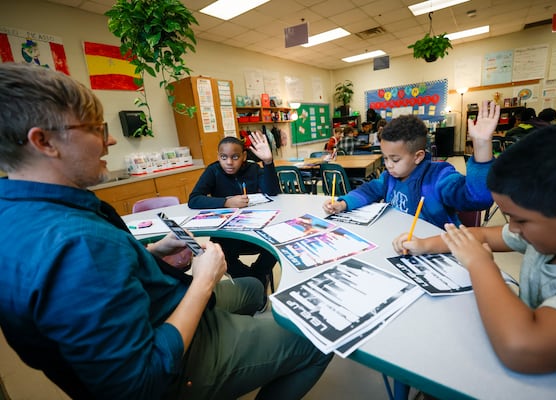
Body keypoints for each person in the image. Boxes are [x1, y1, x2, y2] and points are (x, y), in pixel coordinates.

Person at [0, 62, 332, 400]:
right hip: (179, 359)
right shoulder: (79, 244)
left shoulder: (19, 216)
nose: (111, 139)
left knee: (249, 288)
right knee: (318, 338)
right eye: (96, 128)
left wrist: (152, 254)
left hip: (160, 310)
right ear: (44, 141)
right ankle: (241, 351)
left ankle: (249, 342)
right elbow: (143, 382)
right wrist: (203, 282)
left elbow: (98, 283)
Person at [395, 126, 556, 399]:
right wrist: (424, 245)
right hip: (515, 370)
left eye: (521, 220)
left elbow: (521, 348)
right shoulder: (554, 234)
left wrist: (481, 264)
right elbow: (479, 234)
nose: (513, 229)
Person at [323, 100, 499, 229]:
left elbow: (478, 198)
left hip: (434, 250)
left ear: (418, 156)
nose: (388, 165)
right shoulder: (388, 178)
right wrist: (343, 203)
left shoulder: (438, 177)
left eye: (395, 159)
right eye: (385, 158)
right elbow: (368, 191)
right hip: (399, 241)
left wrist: (482, 146)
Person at [188, 135, 280, 297]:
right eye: (224, 157)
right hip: (228, 235)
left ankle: (257, 278)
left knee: (275, 245)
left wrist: (268, 162)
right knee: (218, 254)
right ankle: (256, 281)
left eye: (235, 157)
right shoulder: (213, 170)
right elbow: (194, 199)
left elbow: (272, 192)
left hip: (255, 229)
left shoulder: (252, 169)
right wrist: (226, 202)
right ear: (218, 157)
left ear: (244, 156)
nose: (229, 162)